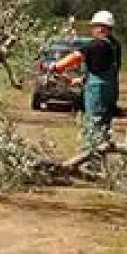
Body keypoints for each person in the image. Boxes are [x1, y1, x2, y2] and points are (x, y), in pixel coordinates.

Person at [49, 10, 119, 152]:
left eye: (94, 27)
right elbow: (101, 67)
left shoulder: (97, 44)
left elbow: (76, 56)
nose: (92, 30)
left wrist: (56, 66)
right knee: (104, 125)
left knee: (93, 125)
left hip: (97, 92)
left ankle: (90, 156)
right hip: (111, 90)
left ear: (101, 28)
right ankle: (100, 155)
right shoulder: (115, 45)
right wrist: (81, 79)